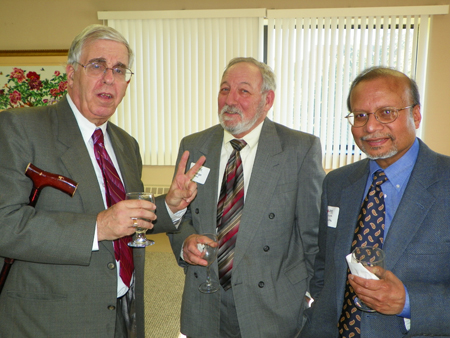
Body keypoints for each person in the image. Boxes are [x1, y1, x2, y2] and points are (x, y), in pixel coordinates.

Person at [0, 24, 204, 338]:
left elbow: (127, 219)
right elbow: (5, 225)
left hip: (123, 312)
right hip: (51, 320)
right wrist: (98, 227)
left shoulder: (126, 144)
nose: (109, 77)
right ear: (70, 74)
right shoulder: (19, 128)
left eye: (120, 69)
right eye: (97, 65)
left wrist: (170, 205)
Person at [167, 57, 325, 338]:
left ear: (267, 99)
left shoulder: (299, 150)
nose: (230, 100)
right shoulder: (193, 145)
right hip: (206, 298)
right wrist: (185, 242)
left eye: (243, 91)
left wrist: (321, 301)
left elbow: (312, 234)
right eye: (224, 89)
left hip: (272, 303)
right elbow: (180, 215)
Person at [300, 66, 450, 338]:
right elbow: (325, 271)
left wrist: (407, 302)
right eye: (360, 115)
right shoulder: (337, 183)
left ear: (415, 114)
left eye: (386, 113)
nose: (370, 126)